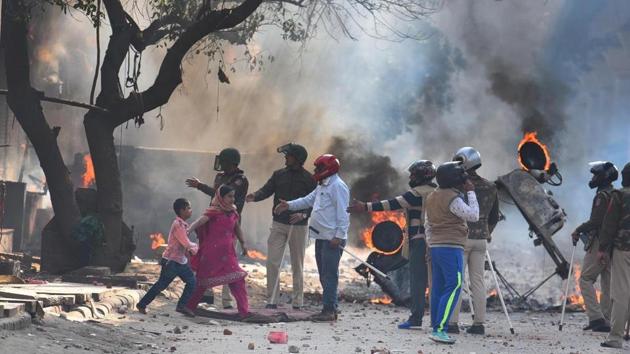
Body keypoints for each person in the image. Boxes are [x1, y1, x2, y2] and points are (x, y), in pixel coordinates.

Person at [347, 160, 437, 330]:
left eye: (413, 174)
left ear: (421, 176)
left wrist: (364, 207)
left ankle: (416, 319)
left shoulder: (416, 194)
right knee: (435, 281)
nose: (410, 177)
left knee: (418, 281)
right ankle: (437, 321)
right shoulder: (438, 192)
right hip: (438, 243)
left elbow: (391, 204)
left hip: (419, 243)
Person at [274, 154, 350, 322]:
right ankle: (331, 307)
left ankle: (329, 310)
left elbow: (343, 214)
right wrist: (289, 205)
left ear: (328, 169)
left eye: (319, 168)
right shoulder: (322, 185)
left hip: (332, 239)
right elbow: (308, 200)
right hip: (321, 237)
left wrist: (338, 236)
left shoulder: (338, 186)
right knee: (324, 275)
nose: (316, 171)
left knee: (329, 275)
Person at [245, 143, 317, 309]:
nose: (285, 158)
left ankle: (298, 301)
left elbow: (315, 202)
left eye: (289, 155)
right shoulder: (278, 175)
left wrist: (304, 214)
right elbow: (267, 190)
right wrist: (254, 196)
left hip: (299, 227)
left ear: (297, 159)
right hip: (278, 224)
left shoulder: (309, 179)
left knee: (297, 264)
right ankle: (272, 300)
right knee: (272, 262)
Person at [186, 147, 249, 309]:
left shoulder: (240, 180)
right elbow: (216, 196)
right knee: (206, 265)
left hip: (228, 227)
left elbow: (226, 197)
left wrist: (243, 242)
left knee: (231, 269)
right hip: (212, 226)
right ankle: (201, 297)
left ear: (232, 163)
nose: (220, 164)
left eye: (223, 161)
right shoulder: (220, 177)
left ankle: (227, 301)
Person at [424, 161, 479, 344]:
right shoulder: (453, 198)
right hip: (451, 246)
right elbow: (473, 215)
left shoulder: (432, 196)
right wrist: (471, 192)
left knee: (438, 288)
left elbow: (427, 224)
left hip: (436, 246)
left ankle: (435, 326)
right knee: (454, 285)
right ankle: (440, 330)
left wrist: (430, 244)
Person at [448, 147, 499, 335]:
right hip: (481, 239)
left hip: (461, 238)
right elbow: (494, 217)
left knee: (456, 281)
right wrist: (487, 232)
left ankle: (452, 323)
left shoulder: (458, 187)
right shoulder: (490, 186)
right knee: (478, 281)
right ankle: (479, 324)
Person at [182, 185, 251, 318]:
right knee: (202, 282)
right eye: (229, 196)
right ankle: (189, 307)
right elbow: (200, 221)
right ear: (221, 197)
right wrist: (188, 230)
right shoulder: (213, 211)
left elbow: (237, 229)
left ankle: (244, 311)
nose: (232, 199)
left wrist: (243, 244)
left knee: (237, 279)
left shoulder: (233, 212)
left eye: (233, 196)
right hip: (211, 254)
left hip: (228, 253)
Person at [572, 161, 618, 332]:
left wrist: (578, 229)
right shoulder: (615, 194)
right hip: (612, 243)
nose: (593, 178)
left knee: (585, 279)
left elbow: (596, 222)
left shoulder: (602, 196)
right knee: (607, 282)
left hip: (600, 242)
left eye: (595, 175)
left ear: (603, 177)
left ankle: (596, 318)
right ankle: (606, 319)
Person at [136, 198, 198, 314]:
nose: (191, 210)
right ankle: (142, 304)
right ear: (182, 210)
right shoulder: (178, 225)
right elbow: (185, 242)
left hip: (179, 261)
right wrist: (196, 248)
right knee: (161, 285)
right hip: (172, 262)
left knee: (191, 282)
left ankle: (181, 306)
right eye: (189, 208)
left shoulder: (182, 225)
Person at [598, 162, 630, 349]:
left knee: (620, 293)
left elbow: (609, 225)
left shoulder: (619, 196)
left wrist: (602, 248)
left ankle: (615, 337)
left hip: (623, 249)